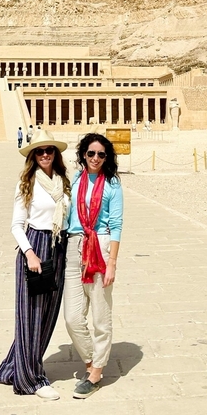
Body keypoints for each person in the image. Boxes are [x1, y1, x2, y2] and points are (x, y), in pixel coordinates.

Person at [0, 130, 71, 400]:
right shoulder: (26, 183)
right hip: (35, 247)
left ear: (56, 153)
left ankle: (12, 367)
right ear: (32, 155)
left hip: (57, 247)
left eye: (49, 150)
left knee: (48, 314)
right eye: (39, 151)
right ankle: (32, 379)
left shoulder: (62, 182)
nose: (45, 155)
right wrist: (29, 253)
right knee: (31, 315)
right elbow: (16, 225)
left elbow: (68, 217)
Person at [64, 133, 123, 399]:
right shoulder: (75, 179)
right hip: (74, 246)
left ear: (107, 157)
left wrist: (112, 262)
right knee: (73, 317)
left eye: (101, 154)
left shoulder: (112, 184)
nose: (96, 158)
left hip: (99, 246)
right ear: (83, 155)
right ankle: (90, 361)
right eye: (91, 153)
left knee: (100, 314)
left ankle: (97, 371)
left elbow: (117, 225)